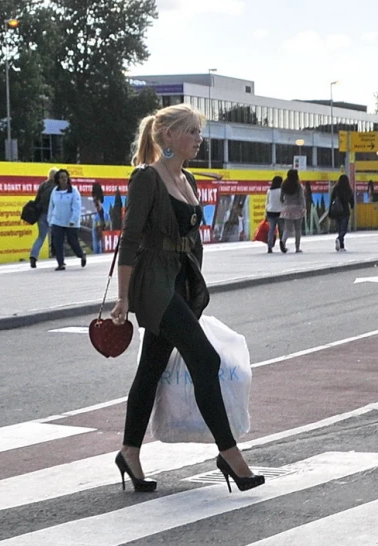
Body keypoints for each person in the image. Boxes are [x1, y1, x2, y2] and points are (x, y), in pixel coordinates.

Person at [110, 103, 263, 494]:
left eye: (199, 131)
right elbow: (129, 239)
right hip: (154, 284)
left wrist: (194, 281)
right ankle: (230, 455)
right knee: (205, 358)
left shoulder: (188, 178)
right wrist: (123, 299)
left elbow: (191, 238)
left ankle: (129, 451)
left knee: (151, 368)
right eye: (192, 132)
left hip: (180, 282)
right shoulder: (146, 178)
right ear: (168, 136)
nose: (199, 139)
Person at [47, 169, 87, 270]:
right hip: (57, 221)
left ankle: (81, 255)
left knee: (72, 241)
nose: (64, 179)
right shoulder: (54, 191)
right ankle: (61, 263)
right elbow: (51, 206)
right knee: (58, 242)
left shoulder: (74, 191)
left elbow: (77, 207)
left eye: (65, 177)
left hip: (71, 222)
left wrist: (73, 219)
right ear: (58, 180)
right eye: (61, 177)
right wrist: (50, 220)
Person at [29, 167, 58, 268]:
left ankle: (33, 256)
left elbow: (37, 199)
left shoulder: (43, 185)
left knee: (41, 237)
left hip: (41, 215)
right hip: (52, 215)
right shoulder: (57, 187)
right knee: (57, 235)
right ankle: (58, 256)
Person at [280, 168, 306, 253]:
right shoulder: (298, 186)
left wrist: (285, 204)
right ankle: (297, 248)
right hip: (297, 208)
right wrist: (303, 207)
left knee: (288, 229)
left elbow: (281, 198)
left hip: (287, 208)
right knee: (298, 229)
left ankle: (283, 241)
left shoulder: (284, 185)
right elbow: (301, 198)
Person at [329, 174, 355, 252]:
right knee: (344, 229)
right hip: (345, 211)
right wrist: (352, 206)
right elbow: (351, 200)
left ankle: (341, 246)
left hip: (337, 211)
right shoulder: (348, 189)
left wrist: (331, 210)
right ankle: (339, 239)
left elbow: (332, 199)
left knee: (340, 229)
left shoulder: (336, 188)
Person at [265, 175, 285, 253]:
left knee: (271, 230)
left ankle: (269, 246)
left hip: (270, 212)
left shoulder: (269, 191)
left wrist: (266, 213)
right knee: (281, 230)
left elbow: (267, 202)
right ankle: (282, 244)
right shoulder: (281, 190)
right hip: (280, 212)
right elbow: (283, 201)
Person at [91, 184, 109, 254]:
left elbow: (99, 208)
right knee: (103, 238)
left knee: (96, 240)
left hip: (98, 218)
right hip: (104, 217)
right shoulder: (102, 197)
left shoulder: (95, 198)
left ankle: (97, 253)